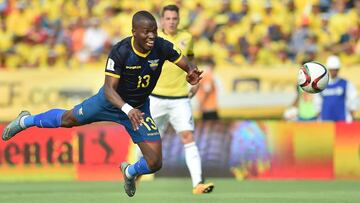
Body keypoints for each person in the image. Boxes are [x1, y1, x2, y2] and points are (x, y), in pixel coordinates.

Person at [1, 11, 203, 197]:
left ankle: (130, 171)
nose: (152, 36)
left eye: (154, 31)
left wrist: (191, 72)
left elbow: (184, 61)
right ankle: (26, 120)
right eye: (146, 32)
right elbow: (109, 89)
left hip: (139, 109)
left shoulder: (162, 46)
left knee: (155, 162)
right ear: (134, 32)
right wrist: (127, 109)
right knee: (68, 119)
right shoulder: (121, 51)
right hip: (110, 102)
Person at [146, 5, 214, 194]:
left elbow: (191, 62)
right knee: (148, 140)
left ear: (179, 19)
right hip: (155, 97)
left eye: (174, 19)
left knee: (188, 136)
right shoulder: (153, 39)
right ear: (161, 20)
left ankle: (198, 183)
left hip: (179, 98)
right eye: (168, 19)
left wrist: (196, 80)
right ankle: (135, 175)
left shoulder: (187, 38)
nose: (171, 22)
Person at [314, 55, 358, 122]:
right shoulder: (321, 84)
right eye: (332, 70)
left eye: (336, 70)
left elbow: (352, 99)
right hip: (325, 120)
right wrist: (318, 116)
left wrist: (352, 116)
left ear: (338, 69)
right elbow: (317, 101)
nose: (334, 72)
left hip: (342, 120)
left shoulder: (346, 83)